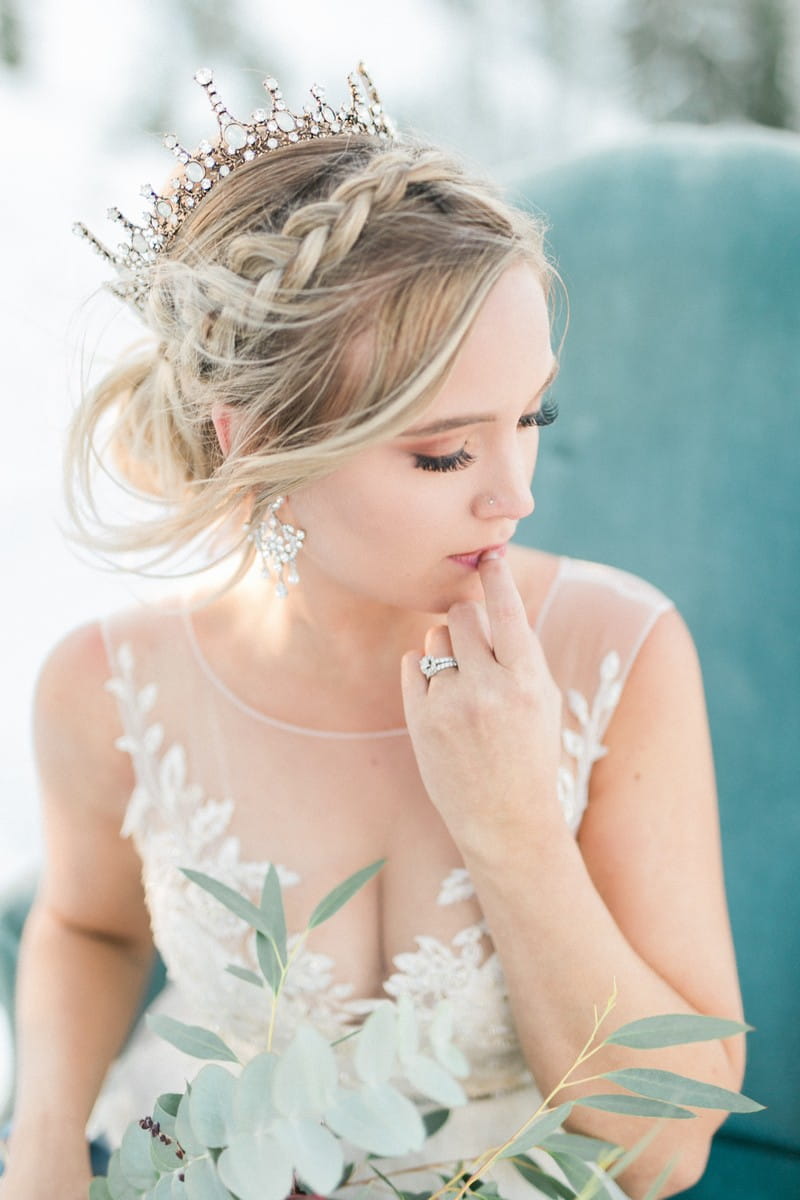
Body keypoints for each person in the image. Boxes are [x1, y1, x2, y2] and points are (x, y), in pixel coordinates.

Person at [0, 65, 744, 1200]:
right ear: (253, 442)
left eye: (529, 417)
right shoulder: (109, 686)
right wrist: (42, 1139)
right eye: (443, 452)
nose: (515, 495)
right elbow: (87, 928)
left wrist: (510, 828)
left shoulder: (619, 651)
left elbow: (664, 1149)